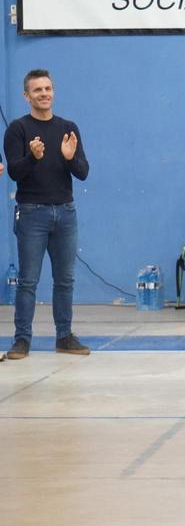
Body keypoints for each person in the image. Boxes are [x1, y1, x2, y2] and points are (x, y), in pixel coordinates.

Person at [2, 69, 90, 360]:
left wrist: (69, 158)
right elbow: (14, 172)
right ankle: (21, 340)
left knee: (65, 280)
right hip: (32, 214)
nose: (44, 94)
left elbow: (83, 172)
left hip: (65, 212)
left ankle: (64, 335)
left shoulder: (68, 127)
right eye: (37, 90)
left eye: (48, 88)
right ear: (27, 96)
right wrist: (33, 157)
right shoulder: (18, 129)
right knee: (28, 280)